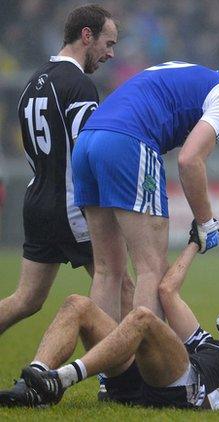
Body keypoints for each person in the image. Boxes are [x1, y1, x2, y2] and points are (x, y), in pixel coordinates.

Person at [0, 222, 219, 410]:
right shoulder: (209, 344)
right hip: (149, 380)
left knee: (142, 318)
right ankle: (36, 383)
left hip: (188, 390)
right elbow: (168, 291)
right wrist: (196, 242)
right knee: (77, 304)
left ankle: (62, 379)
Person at [71, 54, 219, 320]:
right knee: (153, 269)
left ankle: (101, 360)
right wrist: (206, 221)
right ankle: (150, 360)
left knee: (107, 270)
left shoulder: (193, 70)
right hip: (128, 142)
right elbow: (190, 160)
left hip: (87, 143)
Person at [0, 4, 133, 335]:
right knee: (120, 285)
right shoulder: (79, 86)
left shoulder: (33, 82)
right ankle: (117, 379)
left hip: (38, 199)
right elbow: (89, 151)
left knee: (26, 299)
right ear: (87, 36)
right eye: (109, 43)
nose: (111, 54)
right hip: (73, 203)